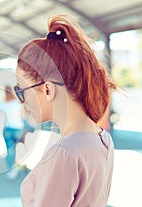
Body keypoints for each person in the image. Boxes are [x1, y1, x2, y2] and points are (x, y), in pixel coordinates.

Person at [13, 14, 116, 206]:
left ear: (47, 90)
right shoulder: (104, 140)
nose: (22, 101)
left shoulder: (65, 153)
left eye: (22, 91)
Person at [0, 86, 24, 179]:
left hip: (8, 129)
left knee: (10, 150)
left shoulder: (1, 104)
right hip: (18, 128)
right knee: (18, 148)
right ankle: (17, 166)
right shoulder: (17, 103)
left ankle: (11, 170)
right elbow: (22, 115)